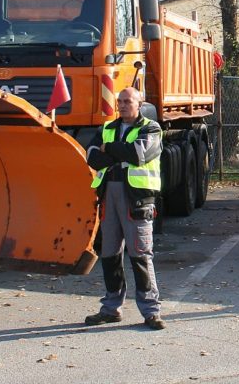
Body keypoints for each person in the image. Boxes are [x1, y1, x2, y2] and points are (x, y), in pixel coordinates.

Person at [84, 87, 167, 329]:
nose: (121, 105)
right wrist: (119, 154)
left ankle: (151, 312)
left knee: (141, 256)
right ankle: (111, 309)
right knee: (109, 256)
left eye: (127, 101)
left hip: (136, 201)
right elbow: (91, 156)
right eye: (119, 101)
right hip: (109, 197)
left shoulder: (151, 128)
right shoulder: (107, 128)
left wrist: (109, 149)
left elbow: (138, 155)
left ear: (139, 103)